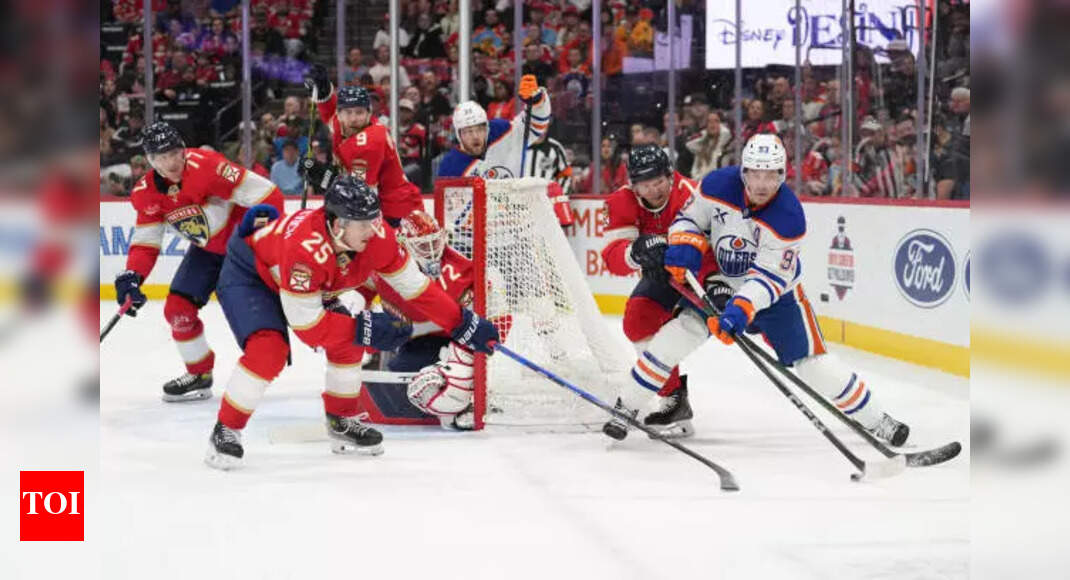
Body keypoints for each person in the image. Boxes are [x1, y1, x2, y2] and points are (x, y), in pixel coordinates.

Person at [602, 134, 911, 447]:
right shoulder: (717, 186)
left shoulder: (789, 218)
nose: (762, 184)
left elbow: (770, 276)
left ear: (783, 175)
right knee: (671, 340)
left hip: (776, 300)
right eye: (755, 174)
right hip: (715, 285)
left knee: (814, 365)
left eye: (771, 175)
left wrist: (740, 308)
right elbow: (690, 220)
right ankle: (626, 407)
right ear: (743, 172)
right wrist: (685, 243)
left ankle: (878, 421)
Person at [205, 177, 500, 469]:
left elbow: (416, 288)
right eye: (363, 223)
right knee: (269, 351)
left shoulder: (376, 236)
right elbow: (310, 330)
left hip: (309, 282)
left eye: (375, 220)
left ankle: (341, 421)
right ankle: (226, 429)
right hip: (253, 275)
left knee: (349, 333)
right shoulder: (305, 251)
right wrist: (368, 328)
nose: (374, 230)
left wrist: (463, 322)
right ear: (337, 225)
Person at [113, 122, 284, 402]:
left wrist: (258, 239)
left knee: (287, 305)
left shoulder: (209, 166)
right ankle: (200, 374)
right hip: (208, 252)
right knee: (177, 310)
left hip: (243, 249)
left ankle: (337, 344)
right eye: (162, 156)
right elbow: (146, 241)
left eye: (175, 152)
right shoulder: (146, 194)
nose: (172, 161)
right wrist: (133, 275)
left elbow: (268, 194)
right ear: (150, 160)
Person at [357, 211, 509, 430]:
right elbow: (361, 291)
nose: (431, 251)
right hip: (417, 339)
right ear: (404, 243)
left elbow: (498, 314)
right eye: (421, 245)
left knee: (454, 381)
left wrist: (463, 359)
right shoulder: (386, 264)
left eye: (435, 242)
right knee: (401, 376)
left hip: (457, 338)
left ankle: (471, 397)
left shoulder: (463, 266)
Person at [599, 145, 712, 438]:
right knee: (637, 320)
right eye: (645, 184)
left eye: (659, 181)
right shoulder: (622, 202)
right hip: (666, 278)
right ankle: (674, 398)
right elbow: (613, 256)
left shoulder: (691, 195)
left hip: (706, 274)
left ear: (670, 176)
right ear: (633, 185)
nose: (654, 190)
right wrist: (635, 252)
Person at [304, 64, 423, 225]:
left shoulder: (370, 141)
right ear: (339, 114)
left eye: (359, 112)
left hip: (397, 213)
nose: (353, 119)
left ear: (369, 113)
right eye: (348, 112)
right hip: (380, 206)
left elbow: (358, 193)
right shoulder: (343, 123)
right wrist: (324, 89)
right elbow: (329, 110)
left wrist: (320, 176)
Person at [436, 74, 550, 179]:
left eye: (480, 129)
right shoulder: (450, 166)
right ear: (459, 135)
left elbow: (533, 126)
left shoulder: (501, 132)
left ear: (487, 127)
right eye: (469, 131)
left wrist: (537, 102)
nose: (475, 136)